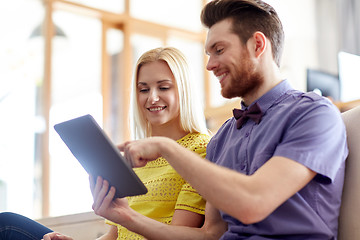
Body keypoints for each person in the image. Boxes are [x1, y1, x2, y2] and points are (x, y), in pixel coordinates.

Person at [92, 0, 348, 239]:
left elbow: (253, 202)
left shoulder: (314, 114)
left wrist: (165, 147)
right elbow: (210, 234)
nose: (210, 65)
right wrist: (124, 216)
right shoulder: (223, 137)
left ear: (258, 45)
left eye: (219, 50)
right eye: (208, 53)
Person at [0, 47, 210, 240]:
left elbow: (178, 235)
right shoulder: (135, 155)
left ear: (184, 90)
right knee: (7, 222)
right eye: (143, 90)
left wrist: (126, 216)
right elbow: (115, 235)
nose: (152, 98)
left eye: (164, 87)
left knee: (6, 227)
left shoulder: (200, 149)